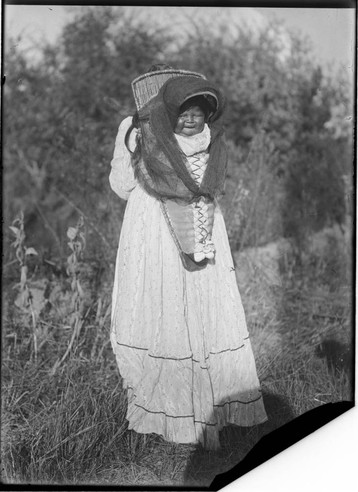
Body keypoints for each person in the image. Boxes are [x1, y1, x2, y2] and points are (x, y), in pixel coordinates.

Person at [109, 64, 267, 450]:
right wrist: (134, 146)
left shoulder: (211, 140)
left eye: (201, 108)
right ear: (167, 109)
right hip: (153, 228)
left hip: (202, 226)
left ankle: (209, 411)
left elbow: (211, 184)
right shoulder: (140, 132)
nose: (193, 116)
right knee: (162, 308)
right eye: (184, 108)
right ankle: (168, 409)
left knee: (199, 308)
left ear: (210, 113)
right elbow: (122, 185)